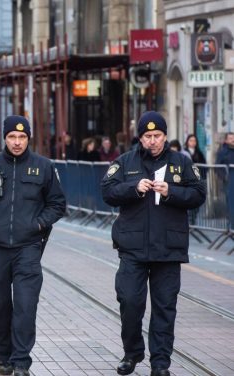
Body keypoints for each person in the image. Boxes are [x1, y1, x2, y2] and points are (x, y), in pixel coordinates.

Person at [101, 111, 206, 376]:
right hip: (133, 247)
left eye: (157, 135)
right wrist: (134, 188)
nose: (153, 141)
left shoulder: (181, 163)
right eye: (147, 136)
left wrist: (172, 192)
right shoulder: (125, 162)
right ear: (140, 137)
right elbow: (107, 191)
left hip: (168, 249)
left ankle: (160, 363)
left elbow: (198, 194)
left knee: (164, 308)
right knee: (130, 301)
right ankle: (132, 352)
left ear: (165, 136)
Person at [0, 115, 66, 376]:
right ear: (4, 138)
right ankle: (4, 357)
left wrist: (39, 224)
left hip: (28, 248)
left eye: (22, 137)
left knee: (25, 304)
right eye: (12, 137)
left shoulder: (44, 167)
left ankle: (21, 361)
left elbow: (57, 203)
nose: (17, 142)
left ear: (28, 138)